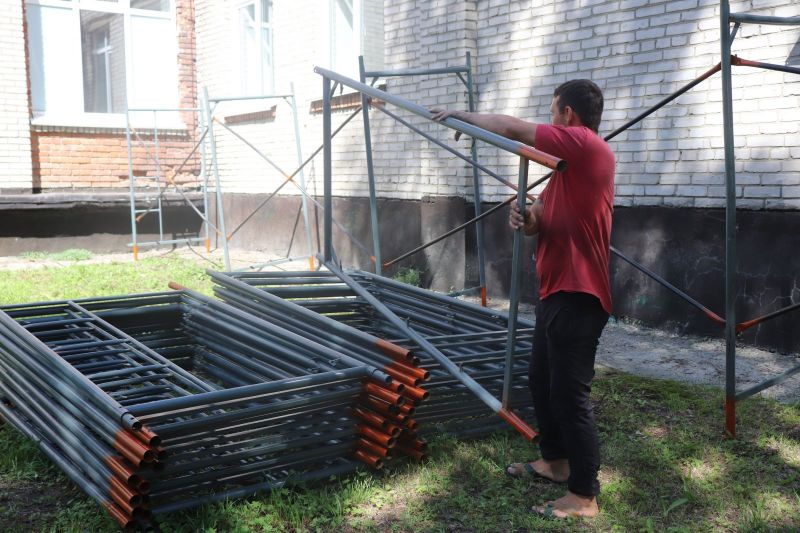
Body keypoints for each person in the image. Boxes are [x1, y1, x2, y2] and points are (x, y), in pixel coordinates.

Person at [431, 79, 614, 519]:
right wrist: (525, 215)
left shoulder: (585, 144)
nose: (548, 120)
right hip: (556, 292)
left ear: (568, 114)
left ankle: (584, 495)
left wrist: (463, 117)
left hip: (579, 294)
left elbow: (512, 129)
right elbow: (540, 219)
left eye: (552, 112)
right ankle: (556, 461)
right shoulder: (566, 171)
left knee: (570, 396)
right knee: (540, 381)